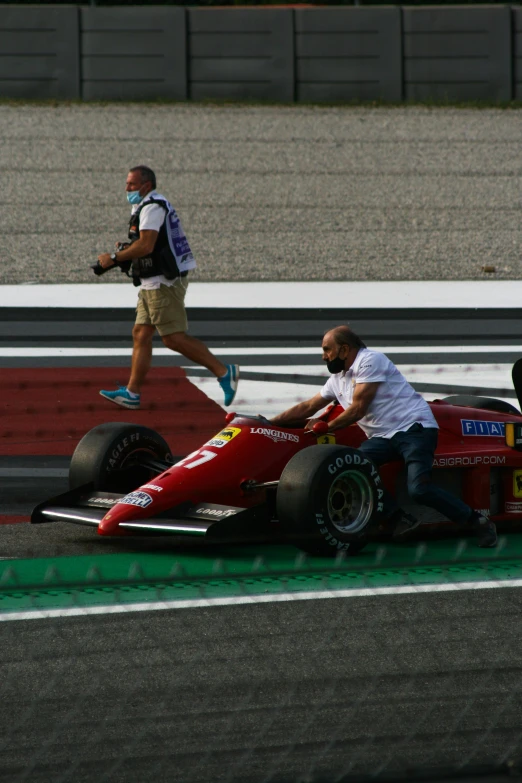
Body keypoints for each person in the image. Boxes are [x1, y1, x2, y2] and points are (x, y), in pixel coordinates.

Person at [270, 325, 497, 548]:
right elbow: (307, 406)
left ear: (345, 349)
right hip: (382, 438)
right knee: (351, 469)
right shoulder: (337, 379)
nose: (323, 356)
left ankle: (478, 522)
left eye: (327, 349)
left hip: (414, 430)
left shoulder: (370, 360)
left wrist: (327, 426)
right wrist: (269, 422)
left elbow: (358, 408)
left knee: (419, 489)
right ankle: (401, 519)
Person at [96, 165, 239, 409]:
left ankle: (224, 371)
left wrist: (114, 257)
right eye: (127, 183)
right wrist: (126, 248)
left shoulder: (152, 207)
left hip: (163, 283)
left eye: (131, 184)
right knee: (141, 333)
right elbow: (144, 242)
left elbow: (146, 246)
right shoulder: (148, 205)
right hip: (154, 282)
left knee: (173, 338)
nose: (127, 188)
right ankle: (132, 393)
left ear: (146, 185)